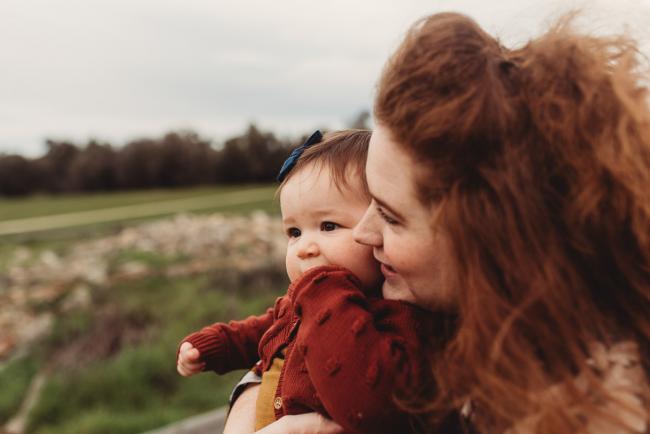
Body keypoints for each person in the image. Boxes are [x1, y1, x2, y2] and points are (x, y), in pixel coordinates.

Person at [228, 10, 650, 434]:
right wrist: (250, 398)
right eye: (370, 203)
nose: (364, 232)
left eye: (392, 217)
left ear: (490, 236)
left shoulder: (583, 414)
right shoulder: (465, 328)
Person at [177, 130, 447, 433]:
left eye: (328, 226)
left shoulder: (394, 315)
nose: (305, 247)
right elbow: (264, 328)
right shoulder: (303, 301)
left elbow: (372, 401)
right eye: (294, 233)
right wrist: (218, 344)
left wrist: (324, 287)